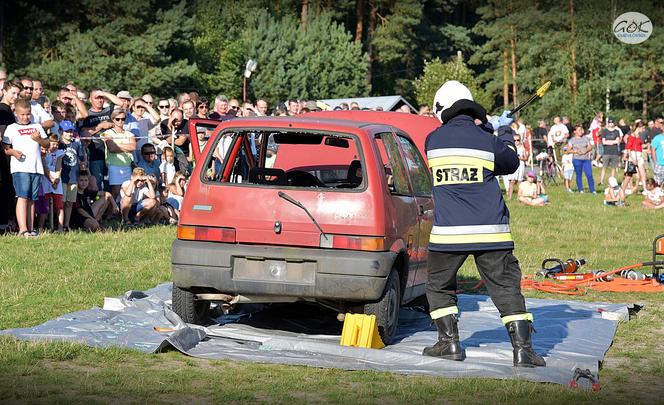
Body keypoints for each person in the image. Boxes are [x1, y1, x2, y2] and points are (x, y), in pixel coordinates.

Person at [422, 80, 545, 367]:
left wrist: (488, 129)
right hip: (491, 232)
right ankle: (523, 351)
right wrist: (501, 130)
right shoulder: (488, 140)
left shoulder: (432, 140)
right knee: (506, 289)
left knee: (438, 287)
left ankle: (448, 343)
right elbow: (511, 163)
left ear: (442, 110)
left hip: (448, 233)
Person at [2, 99, 50, 237]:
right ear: (16, 113)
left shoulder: (37, 126)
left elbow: (46, 144)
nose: (25, 117)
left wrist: (39, 140)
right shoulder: (11, 128)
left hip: (36, 167)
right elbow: (5, 148)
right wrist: (13, 152)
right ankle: (22, 229)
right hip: (20, 167)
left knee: (32, 199)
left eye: (28, 114)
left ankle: (30, 228)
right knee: (22, 197)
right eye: (22, 114)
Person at [102, 109, 136, 200]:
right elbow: (111, 148)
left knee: (127, 192)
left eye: (123, 119)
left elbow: (133, 147)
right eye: (117, 119)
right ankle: (111, 212)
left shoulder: (129, 133)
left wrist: (117, 145)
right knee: (115, 192)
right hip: (114, 165)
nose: (120, 121)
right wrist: (126, 147)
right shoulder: (108, 133)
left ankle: (123, 213)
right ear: (113, 119)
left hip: (127, 166)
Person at [58, 120, 86, 230]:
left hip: (73, 177)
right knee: (62, 203)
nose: (70, 134)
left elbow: (81, 159)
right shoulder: (59, 145)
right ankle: (59, 224)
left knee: (69, 203)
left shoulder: (76, 144)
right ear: (61, 131)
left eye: (71, 131)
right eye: (67, 131)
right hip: (63, 177)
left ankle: (66, 225)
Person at [37, 135, 65, 231]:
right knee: (45, 205)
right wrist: (50, 179)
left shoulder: (59, 153)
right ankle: (40, 227)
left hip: (56, 180)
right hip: (46, 179)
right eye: (53, 144)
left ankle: (60, 228)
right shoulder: (43, 152)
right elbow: (44, 167)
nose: (55, 146)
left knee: (59, 206)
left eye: (57, 144)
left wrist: (56, 178)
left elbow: (58, 167)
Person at [567, 124, 595, 193]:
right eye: (579, 130)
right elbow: (568, 150)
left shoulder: (585, 138)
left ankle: (592, 190)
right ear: (575, 132)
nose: (581, 131)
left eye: (581, 130)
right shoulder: (572, 140)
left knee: (589, 174)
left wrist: (585, 150)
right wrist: (576, 151)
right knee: (579, 174)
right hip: (577, 159)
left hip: (586, 159)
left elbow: (590, 147)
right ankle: (581, 189)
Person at [599, 118, 623, 186]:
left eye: (612, 123)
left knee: (613, 168)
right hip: (606, 152)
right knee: (604, 167)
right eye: (609, 123)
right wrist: (613, 142)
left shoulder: (617, 131)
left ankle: (612, 182)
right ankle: (601, 181)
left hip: (614, 152)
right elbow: (603, 142)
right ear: (608, 123)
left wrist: (609, 142)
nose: (611, 124)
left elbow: (618, 141)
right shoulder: (604, 131)